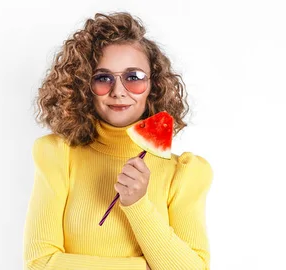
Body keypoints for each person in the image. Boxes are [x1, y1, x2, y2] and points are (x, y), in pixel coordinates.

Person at [23, 12, 214, 270]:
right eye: (103, 78)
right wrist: (139, 268)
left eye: (133, 77)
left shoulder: (185, 173)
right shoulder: (58, 156)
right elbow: (40, 264)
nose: (118, 91)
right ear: (83, 85)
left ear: (153, 85)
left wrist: (137, 205)